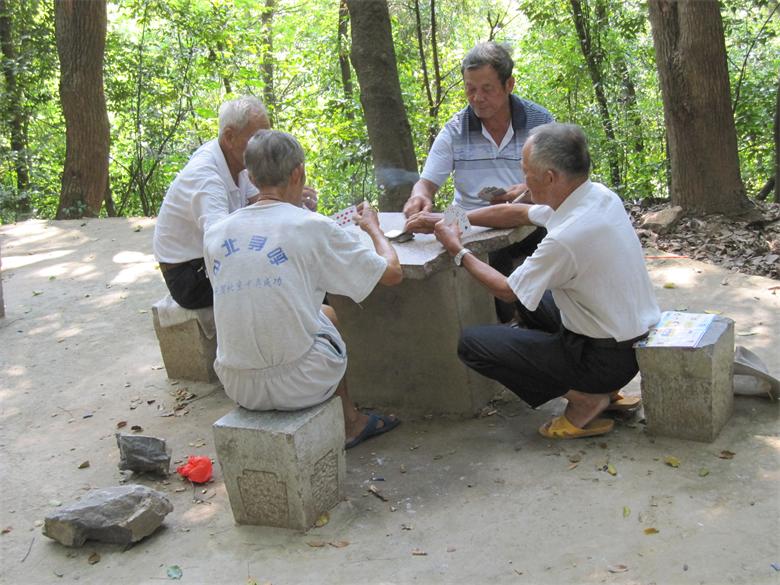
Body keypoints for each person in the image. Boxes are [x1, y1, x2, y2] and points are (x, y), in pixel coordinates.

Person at [433, 123, 660, 439]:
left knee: (473, 343)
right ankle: (606, 393)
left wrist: (456, 249)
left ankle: (585, 398)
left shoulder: (567, 236)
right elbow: (516, 214)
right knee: (535, 302)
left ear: (551, 177)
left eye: (527, 173)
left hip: (604, 359)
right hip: (630, 342)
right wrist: (444, 221)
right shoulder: (597, 196)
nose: (522, 183)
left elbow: (506, 290)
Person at [203, 130, 403, 449]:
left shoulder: (215, 233)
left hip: (237, 384)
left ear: (252, 176)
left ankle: (342, 418)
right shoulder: (310, 225)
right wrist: (374, 229)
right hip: (301, 383)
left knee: (315, 313)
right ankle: (351, 423)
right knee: (329, 316)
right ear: (298, 173)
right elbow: (392, 273)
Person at [403, 41, 554, 321]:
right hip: (465, 218)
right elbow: (426, 183)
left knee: (534, 248)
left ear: (509, 84)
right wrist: (419, 196)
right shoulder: (455, 129)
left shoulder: (539, 122)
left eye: (487, 89)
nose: (477, 98)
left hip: (524, 219)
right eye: (470, 89)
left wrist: (529, 189)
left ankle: (521, 321)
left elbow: (558, 184)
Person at [153, 96, 270, 309]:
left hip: (207, 262)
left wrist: (290, 196)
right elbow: (221, 243)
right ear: (229, 137)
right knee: (280, 275)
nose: (264, 146)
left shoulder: (240, 161)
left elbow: (264, 203)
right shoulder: (206, 177)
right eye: (257, 138)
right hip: (190, 276)